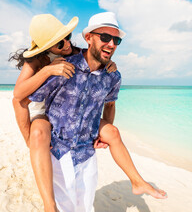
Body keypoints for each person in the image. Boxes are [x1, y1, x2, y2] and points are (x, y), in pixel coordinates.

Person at [27, 12, 167, 212]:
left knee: (85, 207)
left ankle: (137, 182)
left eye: (116, 40)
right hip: (58, 151)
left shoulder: (113, 76)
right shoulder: (63, 67)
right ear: (88, 38)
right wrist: (30, 139)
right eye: (105, 37)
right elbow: (27, 99)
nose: (111, 44)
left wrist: (104, 135)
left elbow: (109, 105)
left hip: (86, 153)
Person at [9, 13, 118, 212]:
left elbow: (93, 56)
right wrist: (47, 70)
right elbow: (18, 97)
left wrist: (108, 64)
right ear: (47, 47)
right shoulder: (36, 61)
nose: (67, 45)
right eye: (59, 44)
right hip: (38, 109)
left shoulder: (72, 51)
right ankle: (49, 206)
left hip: (59, 110)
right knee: (38, 133)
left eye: (67, 37)